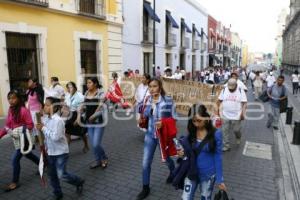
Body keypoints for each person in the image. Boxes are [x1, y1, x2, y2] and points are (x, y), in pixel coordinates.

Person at [36, 97, 84, 200]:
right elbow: (44, 134)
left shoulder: (58, 121)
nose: (45, 107)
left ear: (56, 107)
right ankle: (57, 193)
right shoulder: (46, 118)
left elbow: (55, 137)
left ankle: (78, 181)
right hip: (50, 152)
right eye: (45, 104)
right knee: (52, 174)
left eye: (48, 105)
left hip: (60, 153)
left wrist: (43, 128)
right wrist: (40, 125)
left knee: (62, 174)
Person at [136, 78, 176, 200]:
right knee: (145, 163)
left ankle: (173, 172)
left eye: (155, 86)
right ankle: (145, 187)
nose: (152, 89)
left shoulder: (168, 100)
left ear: (160, 87)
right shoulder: (147, 99)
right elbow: (140, 110)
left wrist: (164, 123)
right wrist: (143, 113)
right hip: (150, 135)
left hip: (162, 136)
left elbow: (175, 118)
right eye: (150, 86)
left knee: (167, 158)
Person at [178, 104, 226, 200]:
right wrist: (182, 154)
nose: (196, 124)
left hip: (208, 175)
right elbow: (189, 151)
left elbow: (218, 156)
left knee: (205, 197)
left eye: (199, 121)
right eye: (193, 121)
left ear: (207, 118)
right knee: (186, 198)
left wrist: (220, 180)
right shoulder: (192, 131)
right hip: (192, 171)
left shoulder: (216, 134)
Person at [0, 90, 39, 191]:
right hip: (17, 138)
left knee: (15, 159)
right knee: (28, 154)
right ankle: (43, 163)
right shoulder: (11, 109)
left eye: (13, 98)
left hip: (24, 138)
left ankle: (15, 182)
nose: (11, 100)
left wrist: (19, 129)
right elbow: (8, 126)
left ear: (18, 98)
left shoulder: (23, 110)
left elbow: (30, 125)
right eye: (9, 98)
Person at [79, 77, 108, 169]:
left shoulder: (101, 93)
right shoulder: (86, 93)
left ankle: (104, 158)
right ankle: (97, 160)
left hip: (99, 122)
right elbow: (85, 107)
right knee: (93, 144)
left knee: (96, 144)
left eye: (89, 82)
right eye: (87, 83)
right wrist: (82, 109)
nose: (87, 84)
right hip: (89, 122)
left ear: (95, 84)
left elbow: (103, 109)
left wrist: (94, 115)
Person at [217, 78, 247, 152]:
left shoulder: (240, 90)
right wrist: (217, 111)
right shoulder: (224, 90)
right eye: (229, 88)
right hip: (225, 114)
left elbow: (244, 103)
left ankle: (238, 137)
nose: (230, 89)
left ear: (236, 85)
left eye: (232, 88)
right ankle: (226, 145)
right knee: (225, 131)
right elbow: (219, 100)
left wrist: (243, 113)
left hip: (236, 115)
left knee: (236, 130)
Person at [64, 82, 89, 153]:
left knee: (81, 133)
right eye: (68, 88)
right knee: (67, 133)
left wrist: (78, 119)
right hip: (70, 115)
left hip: (78, 115)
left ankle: (86, 145)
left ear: (75, 88)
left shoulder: (80, 96)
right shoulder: (68, 95)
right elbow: (67, 106)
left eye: (70, 87)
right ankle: (66, 151)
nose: (69, 89)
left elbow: (82, 108)